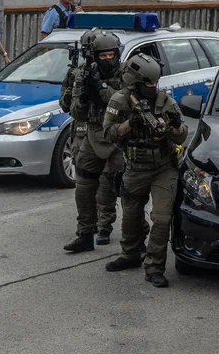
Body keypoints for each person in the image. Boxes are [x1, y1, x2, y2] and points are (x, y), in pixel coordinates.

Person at [103, 50, 188, 287]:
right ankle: (130, 254)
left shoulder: (166, 102)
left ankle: (154, 267)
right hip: (135, 167)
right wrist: (130, 124)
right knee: (130, 215)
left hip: (164, 167)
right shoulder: (120, 101)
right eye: (147, 82)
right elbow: (108, 134)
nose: (152, 86)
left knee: (161, 218)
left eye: (155, 82)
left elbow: (181, 137)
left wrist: (173, 129)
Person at [60, 29, 127, 252]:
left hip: (118, 137)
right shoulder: (84, 74)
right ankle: (85, 233)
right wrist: (86, 95)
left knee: (122, 188)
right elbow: (76, 112)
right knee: (84, 185)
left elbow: (123, 106)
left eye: (110, 55)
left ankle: (131, 239)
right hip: (92, 133)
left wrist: (102, 89)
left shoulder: (127, 74)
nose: (107, 60)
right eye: (102, 56)